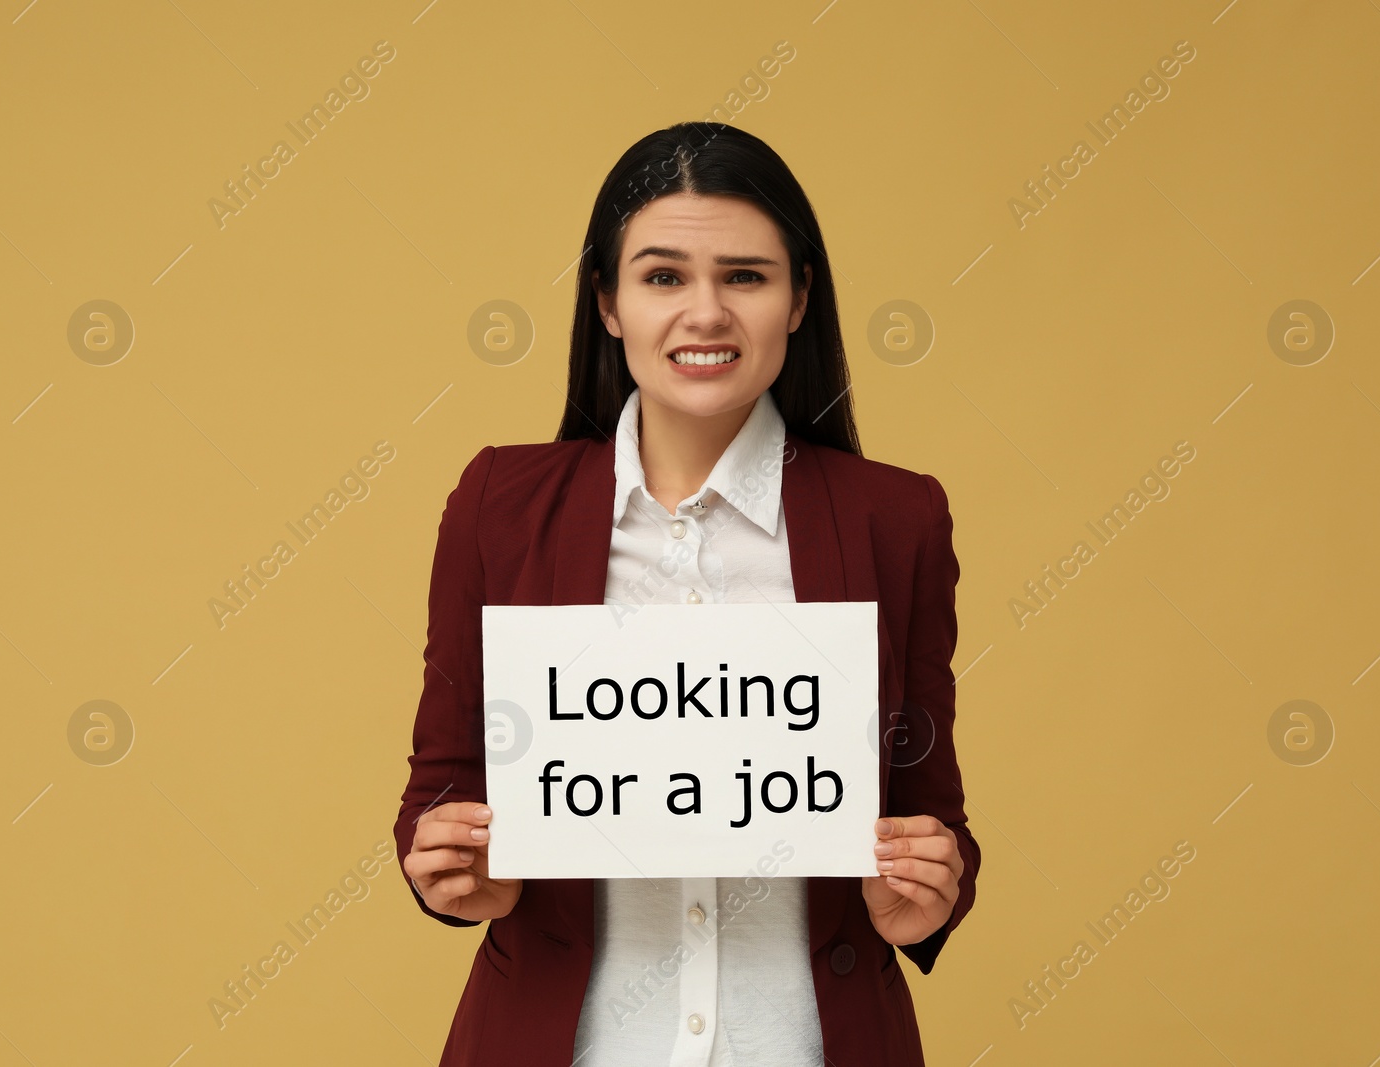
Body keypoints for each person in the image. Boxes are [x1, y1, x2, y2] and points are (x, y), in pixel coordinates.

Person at [394, 121, 980, 1066]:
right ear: (608, 302)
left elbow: (930, 806)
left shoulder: (895, 519)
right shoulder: (498, 506)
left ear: (798, 300)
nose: (705, 313)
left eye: (746, 276)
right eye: (663, 277)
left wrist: (926, 891)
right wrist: (452, 869)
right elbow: (444, 784)